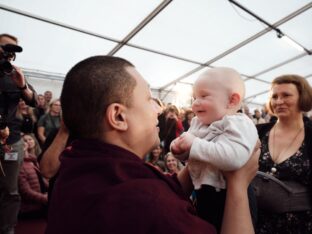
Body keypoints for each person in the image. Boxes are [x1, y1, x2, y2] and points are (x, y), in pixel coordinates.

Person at [46, 55, 260, 234]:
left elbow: (169, 188)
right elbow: (157, 198)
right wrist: (238, 186)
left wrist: (197, 150)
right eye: (149, 99)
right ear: (118, 116)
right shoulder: (149, 206)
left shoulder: (75, 168)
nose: (158, 109)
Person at [170, 67, 258, 232]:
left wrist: (194, 144)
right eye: (194, 97)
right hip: (204, 193)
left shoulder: (239, 123)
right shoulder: (198, 123)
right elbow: (191, 153)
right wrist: (179, 149)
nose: (195, 103)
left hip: (229, 197)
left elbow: (233, 158)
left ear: (231, 101)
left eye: (203, 96)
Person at [255, 74, 312, 234]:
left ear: (303, 97)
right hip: (256, 222)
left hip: (300, 226)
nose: (279, 101)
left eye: (286, 95)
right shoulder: (258, 132)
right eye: (274, 96)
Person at [0, 33, 37, 234]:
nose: (8, 52)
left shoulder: (15, 74)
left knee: (11, 190)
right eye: (4, 47)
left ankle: (7, 229)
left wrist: (22, 85)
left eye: (12, 49)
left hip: (11, 141)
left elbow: (34, 100)